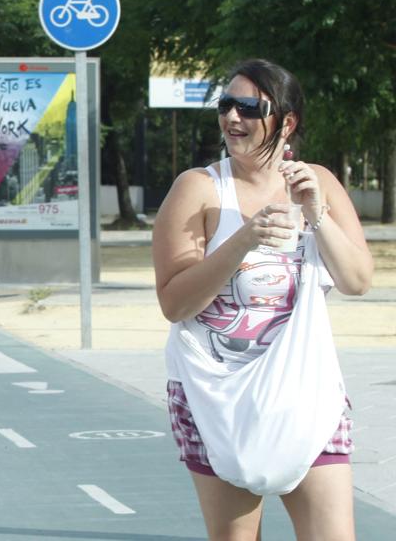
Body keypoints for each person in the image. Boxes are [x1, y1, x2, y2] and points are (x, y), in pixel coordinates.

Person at [152, 59, 372, 540]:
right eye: (225, 105)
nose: (232, 118)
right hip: (216, 394)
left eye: (248, 107)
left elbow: (357, 281)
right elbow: (175, 304)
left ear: (286, 120)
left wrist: (317, 214)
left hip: (305, 392)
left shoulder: (319, 182)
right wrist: (243, 239)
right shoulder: (199, 189)